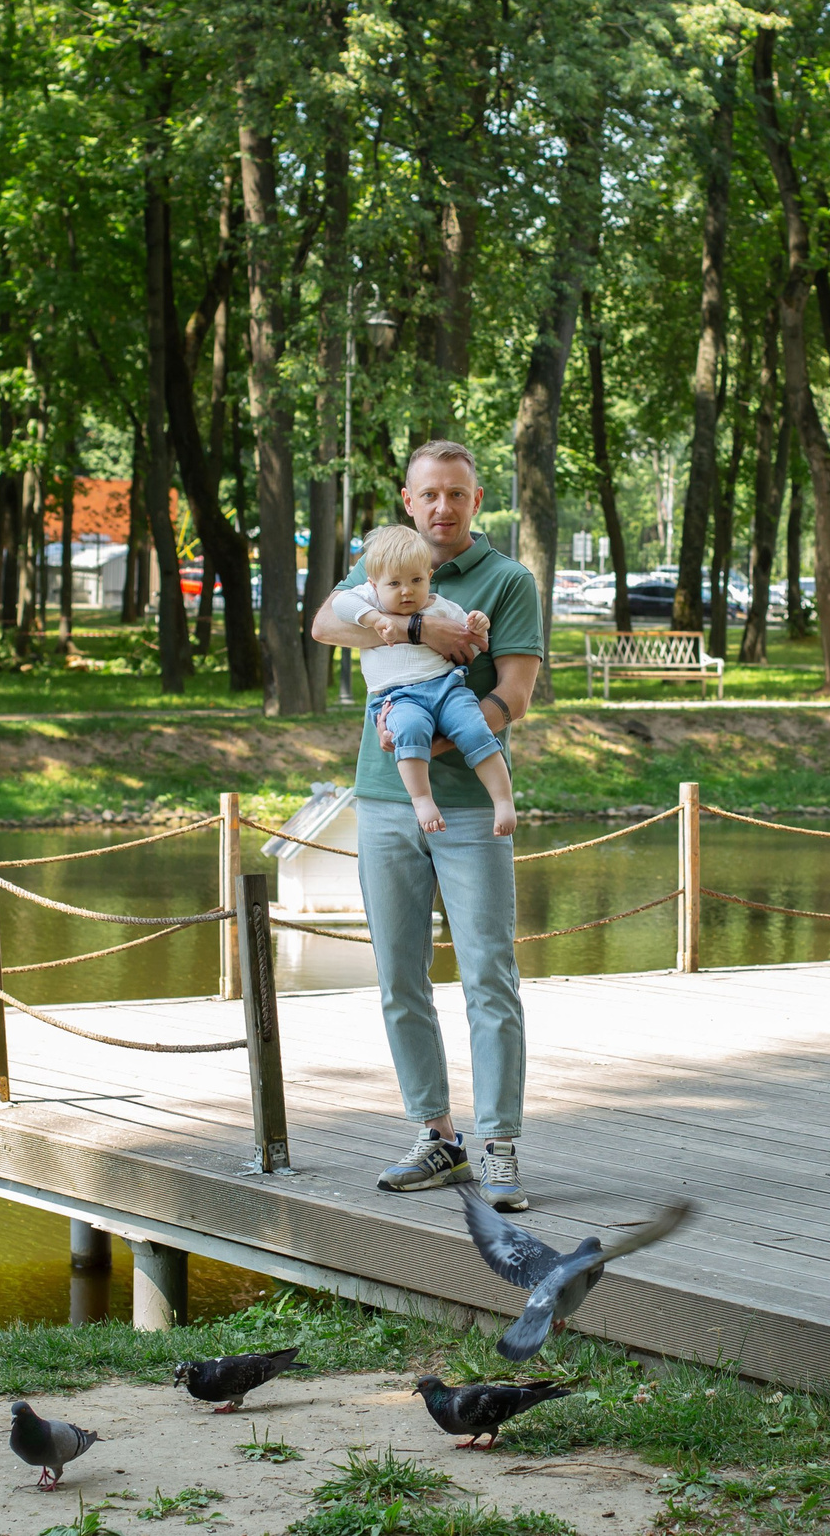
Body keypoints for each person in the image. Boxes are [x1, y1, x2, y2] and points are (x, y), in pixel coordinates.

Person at [309, 441, 543, 1211]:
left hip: (471, 805)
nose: (442, 506)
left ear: (477, 500)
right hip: (383, 799)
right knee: (399, 977)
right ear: (408, 500)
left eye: (457, 493)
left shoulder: (507, 581)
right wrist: (415, 634)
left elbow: (514, 691)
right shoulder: (387, 558)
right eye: (428, 494)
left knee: (488, 975)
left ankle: (499, 1143)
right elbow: (325, 625)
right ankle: (438, 1137)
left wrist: (440, 739)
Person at [325, 526, 518, 837]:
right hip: (398, 697)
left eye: (416, 580)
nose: (406, 591)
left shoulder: (439, 606)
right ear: (374, 585)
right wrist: (375, 619)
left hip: (447, 688)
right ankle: (422, 799)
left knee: (474, 728)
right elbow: (338, 606)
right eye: (395, 584)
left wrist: (479, 625)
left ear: (429, 576)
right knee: (411, 729)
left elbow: (473, 643)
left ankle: (503, 800)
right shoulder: (370, 601)